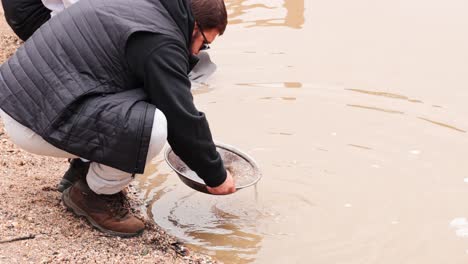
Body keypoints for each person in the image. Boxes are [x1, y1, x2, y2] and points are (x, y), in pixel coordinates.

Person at [0, 0, 236, 237]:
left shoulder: (147, 7)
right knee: (153, 126)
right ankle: (94, 196)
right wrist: (216, 175)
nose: (197, 53)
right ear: (194, 26)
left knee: (148, 91)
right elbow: (182, 121)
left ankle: (81, 172)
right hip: (32, 120)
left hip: (19, 96)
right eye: (203, 43)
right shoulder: (162, 39)